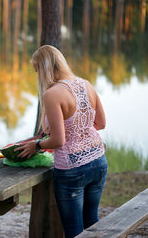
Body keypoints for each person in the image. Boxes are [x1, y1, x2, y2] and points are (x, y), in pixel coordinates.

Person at [16, 45, 107, 238]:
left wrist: (37, 145)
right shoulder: (86, 84)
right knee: (92, 223)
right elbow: (100, 123)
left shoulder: (52, 94)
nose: (37, 76)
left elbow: (58, 140)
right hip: (99, 161)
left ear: (45, 68)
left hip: (72, 169)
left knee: (74, 231)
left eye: (37, 70)